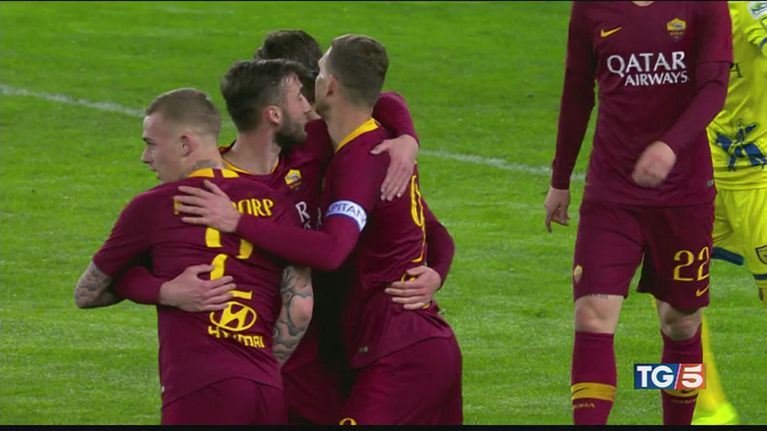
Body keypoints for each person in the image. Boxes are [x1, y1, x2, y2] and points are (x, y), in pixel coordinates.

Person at [174, 34, 462, 425]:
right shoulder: (230, 177)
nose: (307, 108)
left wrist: (435, 273)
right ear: (272, 109)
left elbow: (348, 245)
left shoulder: (354, 151)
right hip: (333, 350)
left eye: (308, 90)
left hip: (372, 346)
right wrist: (165, 290)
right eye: (297, 97)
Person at [73, 88, 313, 425]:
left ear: (185, 144)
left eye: (151, 144)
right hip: (266, 390)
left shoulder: (153, 206)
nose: (145, 157)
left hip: (200, 389)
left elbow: (86, 293)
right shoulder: (274, 203)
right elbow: (300, 308)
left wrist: (162, 291)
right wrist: (261, 368)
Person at [544, 1, 732, 425]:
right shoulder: (591, 7)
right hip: (611, 193)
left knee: (680, 323)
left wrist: (670, 146)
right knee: (592, 315)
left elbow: (714, 87)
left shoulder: (704, 5)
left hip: (683, 195)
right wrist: (560, 178)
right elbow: (577, 89)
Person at [692, 0, 767, 425]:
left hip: (759, 182)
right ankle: (707, 410)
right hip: (702, 178)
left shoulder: (750, 9)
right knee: (672, 295)